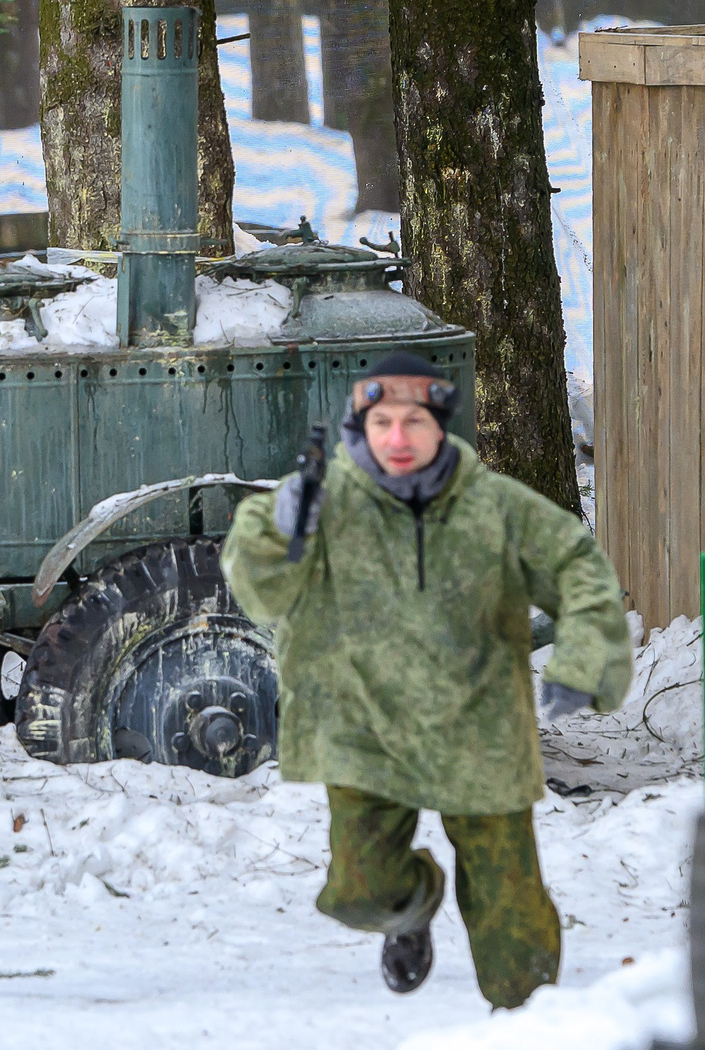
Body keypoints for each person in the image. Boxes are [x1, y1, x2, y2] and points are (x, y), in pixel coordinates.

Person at [223, 352, 631, 1008]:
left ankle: (526, 1027)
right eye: (382, 420)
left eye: (414, 420)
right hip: (364, 728)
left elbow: (578, 567)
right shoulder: (321, 503)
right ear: (361, 426)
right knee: (359, 892)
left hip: (480, 726)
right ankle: (412, 908)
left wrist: (585, 662)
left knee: (511, 909)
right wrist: (275, 531)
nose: (398, 437)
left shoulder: (493, 506)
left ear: (442, 424)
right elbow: (262, 592)